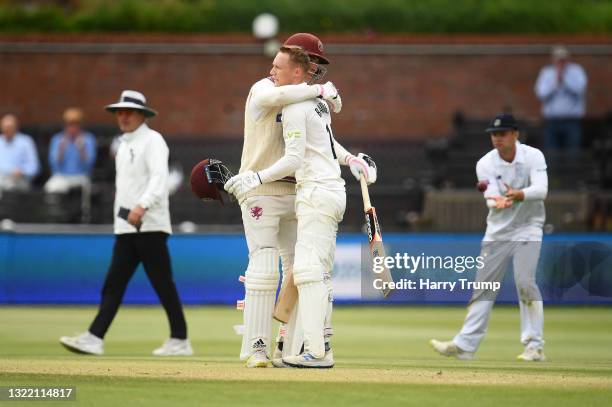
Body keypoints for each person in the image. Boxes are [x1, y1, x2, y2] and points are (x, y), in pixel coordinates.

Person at [225, 44, 377, 368]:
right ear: (300, 68)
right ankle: (257, 348)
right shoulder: (268, 87)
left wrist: (350, 158)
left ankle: (297, 348)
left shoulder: (310, 100)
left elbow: (322, 140)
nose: (314, 71)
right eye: (311, 65)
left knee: (302, 272)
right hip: (263, 188)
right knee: (267, 266)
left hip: (300, 190)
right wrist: (321, 91)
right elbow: (275, 100)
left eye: (318, 67)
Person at [60, 90, 192, 356]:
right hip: (126, 226)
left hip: (149, 225)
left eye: (128, 112)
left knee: (160, 283)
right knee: (115, 283)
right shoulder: (122, 145)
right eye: (119, 112)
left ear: (142, 115)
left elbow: (159, 179)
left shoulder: (153, 141)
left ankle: (179, 340)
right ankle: (95, 337)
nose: (123, 117)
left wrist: (142, 205)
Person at [430, 113, 548, 362]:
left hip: (529, 227)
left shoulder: (533, 156)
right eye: (494, 134)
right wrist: (499, 201)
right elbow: (490, 197)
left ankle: (534, 346)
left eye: (503, 134)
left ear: (515, 134)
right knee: (484, 288)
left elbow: (541, 189)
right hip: (497, 232)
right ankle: (465, 346)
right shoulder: (485, 163)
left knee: (525, 282)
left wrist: (517, 195)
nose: (498, 139)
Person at [535, 45, 587, 152]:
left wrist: (565, 80)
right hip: (551, 122)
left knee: (573, 154)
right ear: (553, 59)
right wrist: (555, 83)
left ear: (568, 59)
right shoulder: (546, 72)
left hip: (572, 121)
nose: (561, 62)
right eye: (558, 59)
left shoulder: (576, 71)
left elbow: (580, 90)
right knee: (552, 155)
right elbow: (541, 94)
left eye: (563, 59)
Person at [44, 108, 97, 194]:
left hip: (81, 176)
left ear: (80, 125)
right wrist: (61, 150)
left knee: (87, 192)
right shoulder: (57, 139)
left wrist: (82, 150)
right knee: (50, 188)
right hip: (61, 176)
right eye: (69, 124)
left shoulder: (88, 139)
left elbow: (89, 166)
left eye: (75, 124)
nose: (72, 128)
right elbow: (53, 165)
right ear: (65, 125)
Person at [0, 114, 40, 192]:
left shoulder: (26, 141)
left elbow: (35, 167)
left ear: (16, 127)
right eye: (5, 127)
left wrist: (23, 171)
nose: (8, 130)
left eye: (10, 127)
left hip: (19, 179)